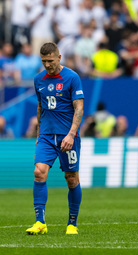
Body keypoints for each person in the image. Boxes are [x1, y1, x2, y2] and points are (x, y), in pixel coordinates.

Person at [26, 42, 84, 235]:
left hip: (68, 137)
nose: (47, 65)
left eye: (50, 61)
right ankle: (40, 222)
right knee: (39, 172)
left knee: (71, 178)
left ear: (59, 58)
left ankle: (72, 224)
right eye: (43, 61)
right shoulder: (38, 79)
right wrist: (38, 134)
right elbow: (40, 106)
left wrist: (71, 134)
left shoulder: (72, 77)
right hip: (46, 136)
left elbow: (79, 108)